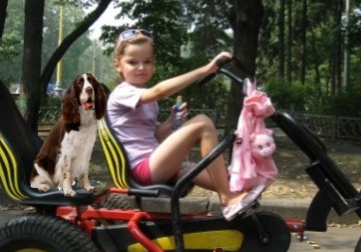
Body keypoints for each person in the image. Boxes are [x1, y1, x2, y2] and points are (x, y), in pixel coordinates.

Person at [106, 28, 262, 220]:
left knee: (193, 169)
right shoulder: (122, 92)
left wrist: (171, 120)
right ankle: (227, 198)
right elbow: (159, 91)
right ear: (118, 65)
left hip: (153, 163)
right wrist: (206, 69)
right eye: (132, 62)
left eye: (147, 62)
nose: (141, 67)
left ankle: (241, 193)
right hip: (143, 169)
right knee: (202, 123)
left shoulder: (145, 98)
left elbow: (154, 135)